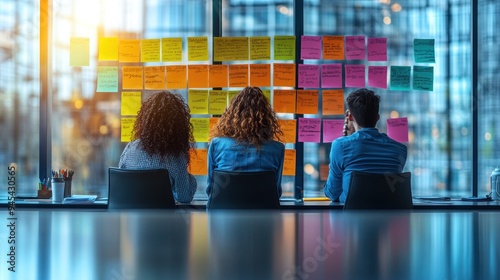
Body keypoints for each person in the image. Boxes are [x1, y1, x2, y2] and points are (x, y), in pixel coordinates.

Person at [324, 88, 407, 202]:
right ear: (377, 117)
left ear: (350, 117)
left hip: (350, 219)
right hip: (387, 218)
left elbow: (332, 193)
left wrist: (348, 137)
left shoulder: (340, 146)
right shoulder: (400, 150)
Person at [118, 91, 197, 203]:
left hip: (133, 218)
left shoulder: (131, 148)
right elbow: (185, 197)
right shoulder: (176, 156)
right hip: (163, 218)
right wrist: (190, 180)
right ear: (179, 126)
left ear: (145, 120)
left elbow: (122, 185)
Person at [207, 86, 285, 197]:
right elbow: (276, 192)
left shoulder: (217, 145)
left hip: (224, 211)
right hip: (264, 212)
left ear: (232, 115)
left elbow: (210, 189)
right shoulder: (277, 149)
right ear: (266, 118)